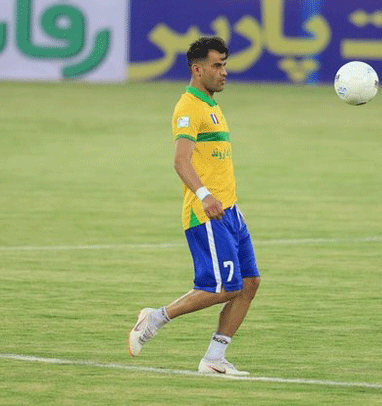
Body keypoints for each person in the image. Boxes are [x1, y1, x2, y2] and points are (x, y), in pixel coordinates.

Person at [127, 37, 260, 376]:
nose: (224, 72)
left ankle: (214, 358)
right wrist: (204, 196)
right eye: (217, 65)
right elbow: (180, 160)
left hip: (230, 211)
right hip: (206, 213)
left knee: (249, 283)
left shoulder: (211, 105)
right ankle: (155, 318)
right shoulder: (189, 108)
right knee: (225, 287)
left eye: (225, 65)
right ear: (197, 69)